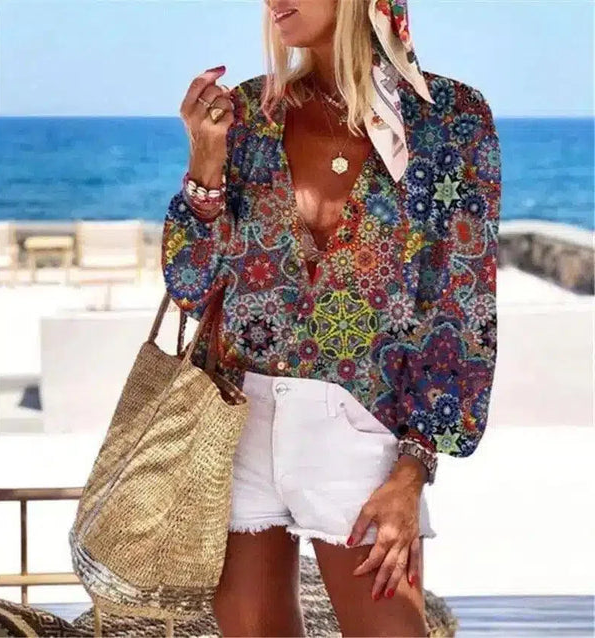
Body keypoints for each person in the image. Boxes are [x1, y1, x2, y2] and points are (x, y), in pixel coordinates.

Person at [161, 0, 502, 635]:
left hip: (362, 424)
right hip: (237, 419)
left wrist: (414, 468)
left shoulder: (449, 119)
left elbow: (463, 307)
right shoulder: (248, 113)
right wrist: (205, 158)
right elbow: (189, 284)